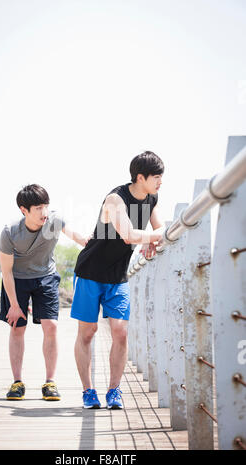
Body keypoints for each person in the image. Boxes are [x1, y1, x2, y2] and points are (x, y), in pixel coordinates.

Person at [71, 151, 165, 409]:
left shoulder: (152, 198)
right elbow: (127, 235)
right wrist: (151, 238)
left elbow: (160, 228)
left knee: (121, 333)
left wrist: (151, 240)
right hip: (90, 272)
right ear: (140, 177)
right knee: (87, 333)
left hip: (118, 276)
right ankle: (88, 391)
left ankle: (114, 390)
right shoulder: (115, 199)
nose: (160, 182)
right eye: (156, 177)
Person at [0, 184, 88, 401]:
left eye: (46, 206)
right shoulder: (10, 232)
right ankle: (17, 382)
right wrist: (13, 304)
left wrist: (99, 242)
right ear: (24, 210)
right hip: (17, 280)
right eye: (38, 208)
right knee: (17, 327)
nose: (44, 213)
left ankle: (49, 382)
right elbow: (6, 271)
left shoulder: (54, 221)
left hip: (46, 277)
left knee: (51, 326)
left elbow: (79, 237)